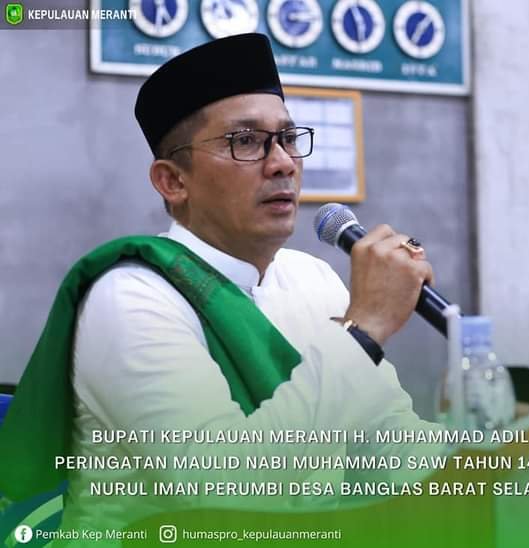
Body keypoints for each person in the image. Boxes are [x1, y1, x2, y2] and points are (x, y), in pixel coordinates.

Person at [0, 33, 443, 533]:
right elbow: (226, 490)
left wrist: (484, 461)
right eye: (245, 141)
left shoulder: (312, 277)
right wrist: (364, 330)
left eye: (288, 138)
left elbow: (387, 444)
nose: (283, 162)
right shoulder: (130, 299)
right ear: (173, 181)